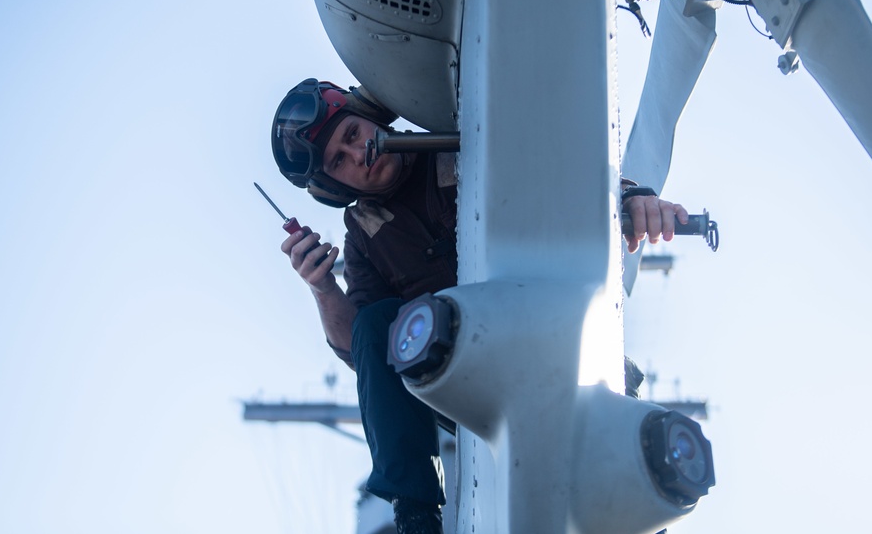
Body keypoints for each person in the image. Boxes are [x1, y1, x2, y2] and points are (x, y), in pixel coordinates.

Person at [271, 78, 689, 534]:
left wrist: (632, 197)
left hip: (559, 350)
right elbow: (364, 350)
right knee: (374, 323)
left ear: (371, 118)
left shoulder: (459, 141)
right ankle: (416, 513)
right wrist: (323, 289)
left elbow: (558, 177)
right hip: (465, 383)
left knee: (620, 487)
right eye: (338, 161)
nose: (358, 156)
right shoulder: (364, 237)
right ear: (333, 186)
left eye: (353, 135)